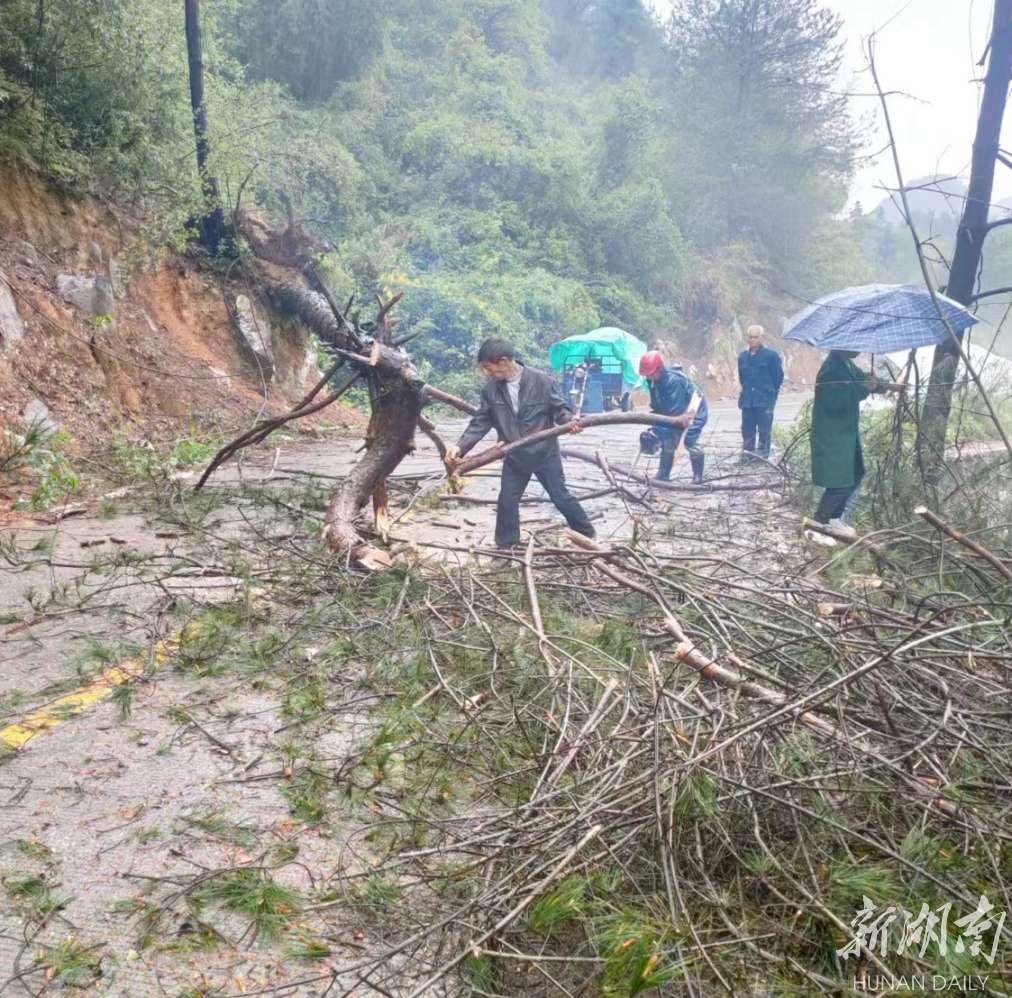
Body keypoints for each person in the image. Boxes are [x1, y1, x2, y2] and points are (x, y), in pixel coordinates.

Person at [444, 338, 595, 550]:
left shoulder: (543, 381)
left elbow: (559, 410)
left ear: (504, 361)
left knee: (560, 497)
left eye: (489, 367)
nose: (488, 372)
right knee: (507, 500)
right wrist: (461, 446)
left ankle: (586, 535)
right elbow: (481, 421)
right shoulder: (491, 390)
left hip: (545, 453)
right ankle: (507, 546)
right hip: (515, 455)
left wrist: (570, 422)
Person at [809, 350, 903, 534]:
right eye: (854, 346)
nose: (858, 350)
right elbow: (838, 402)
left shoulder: (846, 364)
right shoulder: (830, 371)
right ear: (841, 346)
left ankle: (835, 519)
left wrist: (890, 386)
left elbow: (863, 379)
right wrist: (864, 388)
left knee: (855, 473)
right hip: (831, 435)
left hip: (846, 433)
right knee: (839, 482)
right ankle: (819, 524)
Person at [639, 351, 708, 484]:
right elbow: (658, 408)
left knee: (689, 438)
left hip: (694, 410)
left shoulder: (673, 381)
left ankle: (698, 476)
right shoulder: (653, 381)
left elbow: (673, 415)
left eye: (650, 373)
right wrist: (653, 430)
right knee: (668, 439)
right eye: (646, 374)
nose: (648, 376)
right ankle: (663, 474)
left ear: (659, 368)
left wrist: (657, 431)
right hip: (675, 413)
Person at [737, 324, 784, 459]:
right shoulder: (742, 357)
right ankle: (748, 456)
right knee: (747, 429)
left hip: (765, 399)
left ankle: (763, 457)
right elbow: (742, 378)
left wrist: (771, 394)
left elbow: (778, 377)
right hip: (748, 400)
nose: (752, 340)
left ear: (761, 338)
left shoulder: (771, 356)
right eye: (750, 337)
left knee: (764, 430)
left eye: (755, 337)